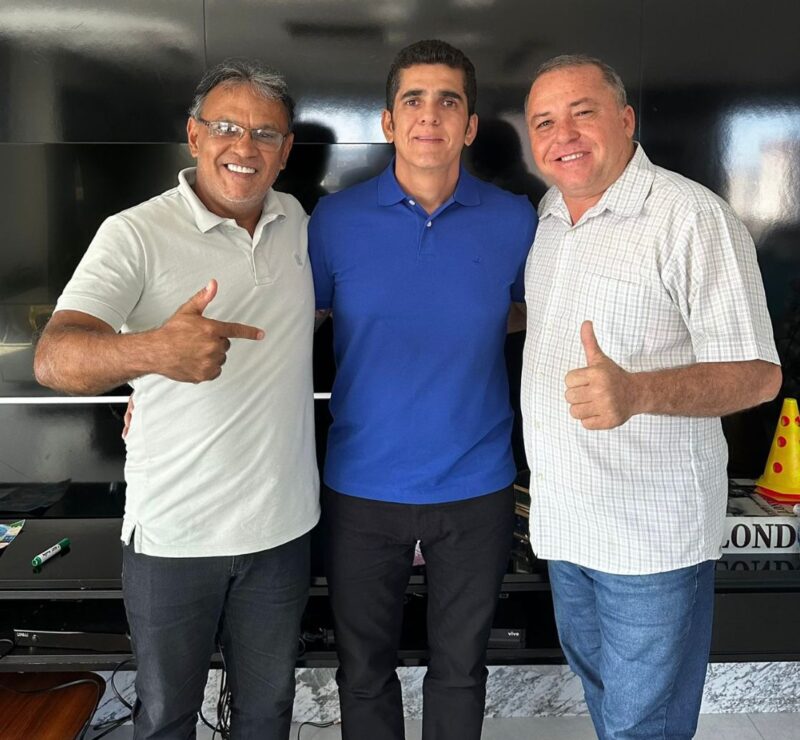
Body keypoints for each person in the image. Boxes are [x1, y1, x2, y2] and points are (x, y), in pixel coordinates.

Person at [33, 60, 319, 739]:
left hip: (283, 533)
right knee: (164, 717)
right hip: (174, 537)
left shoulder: (299, 220)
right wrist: (152, 352)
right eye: (225, 127)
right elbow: (52, 358)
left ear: (285, 151)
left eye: (265, 133)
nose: (244, 147)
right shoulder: (134, 232)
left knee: (268, 713)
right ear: (194, 135)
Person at [521, 54, 782, 739]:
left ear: (626, 119)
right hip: (564, 523)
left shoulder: (690, 217)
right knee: (612, 704)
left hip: (651, 536)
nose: (563, 133)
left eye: (583, 112)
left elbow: (758, 373)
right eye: (544, 120)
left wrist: (635, 392)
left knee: (645, 723)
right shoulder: (549, 217)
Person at [308, 39, 538, 740]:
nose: (429, 115)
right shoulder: (334, 222)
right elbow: (289, 331)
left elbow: (538, 313)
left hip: (477, 487)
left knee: (462, 669)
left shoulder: (518, 220)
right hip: (360, 487)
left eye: (448, 101)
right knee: (363, 671)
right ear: (387, 121)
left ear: (470, 125)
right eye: (413, 99)